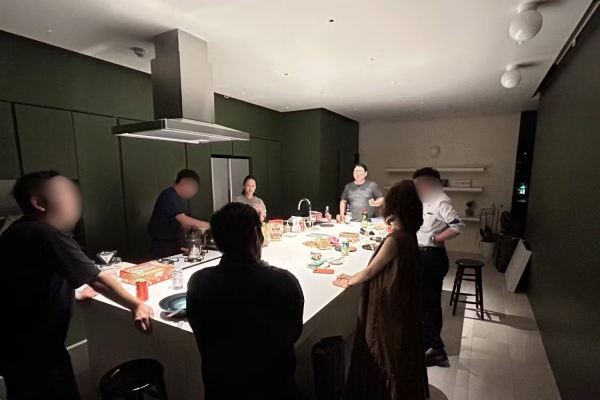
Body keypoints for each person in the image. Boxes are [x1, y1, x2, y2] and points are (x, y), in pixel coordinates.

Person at [0, 171, 154, 400]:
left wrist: (71, 295)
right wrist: (136, 305)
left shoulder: (16, 230)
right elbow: (98, 280)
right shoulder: (48, 234)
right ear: (38, 203)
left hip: (13, 347)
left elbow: (28, 282)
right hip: (40, 352)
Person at [187, 203, 304, 400]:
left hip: (220, 391)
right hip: (276, 391)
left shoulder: (198, 282)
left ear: (217, 242)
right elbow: (294, 332)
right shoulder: (283, 282)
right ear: (256, 235)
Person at [333, 180, 426, 399]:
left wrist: (349, 280)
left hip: (388, 307)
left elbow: (371, 271)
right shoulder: (409, 235)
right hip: (403, 304)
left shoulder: (395, 239)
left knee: (380, 349)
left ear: (396, 207)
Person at [413, 167, 465, 367]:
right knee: (424, 303)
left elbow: (457, 226)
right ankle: (427, 343)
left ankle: (436, 350)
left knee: (429, 304)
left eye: (419, 184)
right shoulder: (425, 201)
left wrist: (436, 238)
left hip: (431, 257)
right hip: (424, 255)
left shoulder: (440, 200)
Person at [148, 169, 209, 259]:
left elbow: (181, 224)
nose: (194, 191)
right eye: (193, 187)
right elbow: (183, 219)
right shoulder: (169, 195)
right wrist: (210, 225)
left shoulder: (175, 197)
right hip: (163, 246)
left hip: (171, 244)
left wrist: (198, 228)